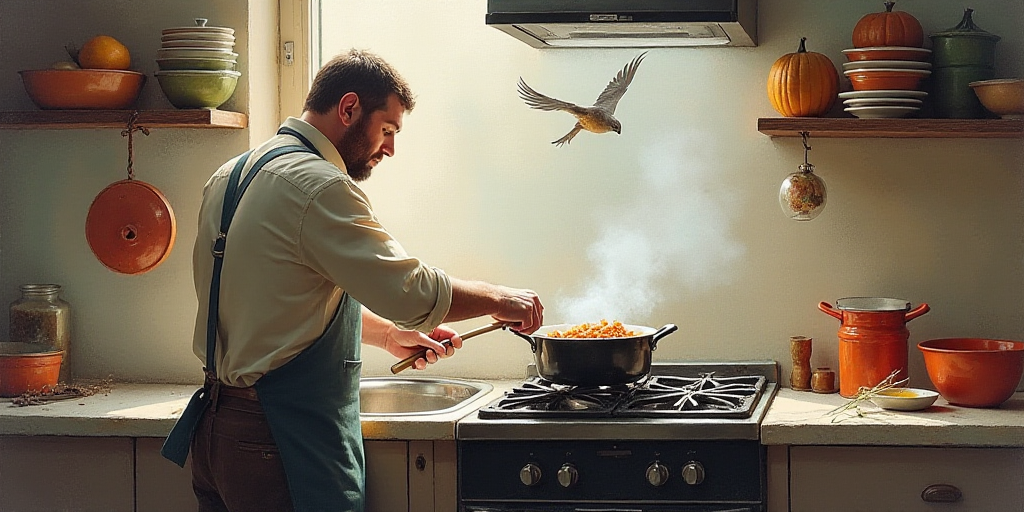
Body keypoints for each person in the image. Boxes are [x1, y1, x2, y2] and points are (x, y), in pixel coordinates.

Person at [161, 48, 544, 512]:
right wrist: (500, 299)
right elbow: (412, 293)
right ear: (348, 109)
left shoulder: (233, 173)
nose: (390, 148)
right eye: (388, 129)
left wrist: (387, 336)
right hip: (278, 441)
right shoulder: (318, 185)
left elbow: (275, 304)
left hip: (217, 435)